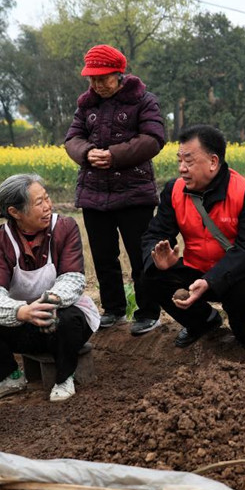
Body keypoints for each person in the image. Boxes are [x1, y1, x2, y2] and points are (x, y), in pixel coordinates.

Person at [0, 174, 99, 403]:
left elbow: (73, 278)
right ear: (15, 212)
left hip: (57, 319)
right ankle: (7, 378)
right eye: (39, 202)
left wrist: (49, 302)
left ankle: (64, 378)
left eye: (47, 198)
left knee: (70, 318)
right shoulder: (0, 238)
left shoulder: (64, 227)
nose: (48, 206)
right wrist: (21, 312)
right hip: (23, 322)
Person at [65, 44, 166, 334]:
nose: (97, 85)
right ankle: (113, 309)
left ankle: (148, 312)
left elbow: (154, 138)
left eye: (103, 78)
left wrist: (114, 155)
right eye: (93, 79)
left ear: (119, 74)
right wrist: (87, 153)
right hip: (94, 193)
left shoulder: (143, 101)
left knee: (140, 254)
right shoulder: (86, 105)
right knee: (103, 256)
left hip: (135, 193)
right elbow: (72, 138)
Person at [140, 125, 245, 349]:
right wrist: (159, 258)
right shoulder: (174, 190)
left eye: (189, 161)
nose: (182, 168)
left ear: (213, 162)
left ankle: (241, 328)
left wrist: (210, 281)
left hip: (230, 274)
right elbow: (155, 233)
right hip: (194, 268)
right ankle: (202, 322)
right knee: (151, 277)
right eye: (179, 160)